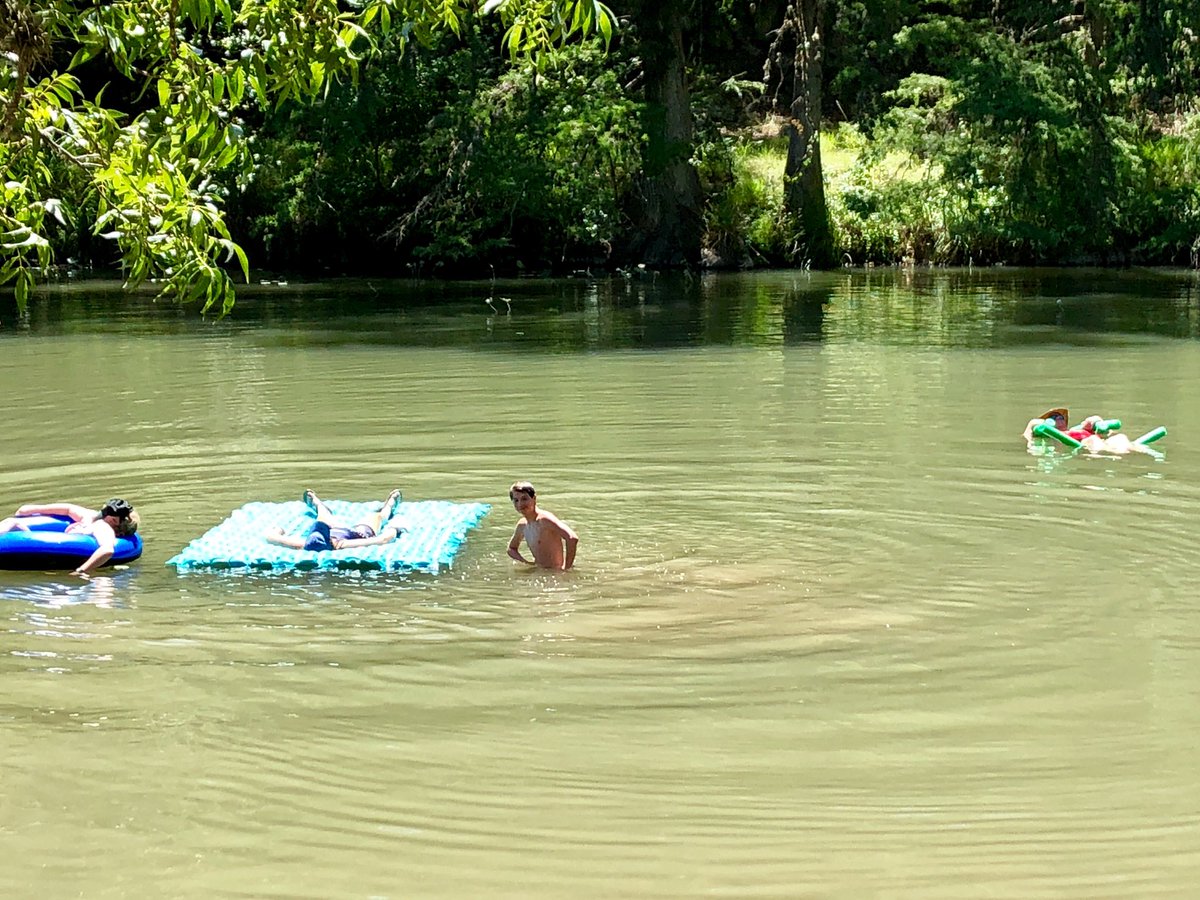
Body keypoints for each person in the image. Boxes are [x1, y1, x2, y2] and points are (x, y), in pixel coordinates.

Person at [0, 498, 139, 576]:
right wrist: (35, 509)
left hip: (63, 553)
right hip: (43, 545)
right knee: (11, 522)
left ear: (114, 520)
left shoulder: (102, 527)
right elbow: (68, 509)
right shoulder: (89, 517)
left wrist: (81, 571)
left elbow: (107, 550)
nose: (101, 511)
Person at [264, 489, 406, 551]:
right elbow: (384, 539)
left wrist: (278, 530)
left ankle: (318, 505)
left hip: (332, 530)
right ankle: (389, 506)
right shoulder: (342, 545)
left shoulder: (304, 544)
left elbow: (271, 537)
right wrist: (394, 529)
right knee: (377, 517)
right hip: (357, 533)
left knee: (323, 518)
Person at [1023, 408, 1158, 456]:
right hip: (1085, 443)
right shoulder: (1048, 434)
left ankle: (1138, 451)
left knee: (1121, 437)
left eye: (1060, 417)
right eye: (1053, 417)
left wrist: (1096, 422)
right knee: (1093, 441)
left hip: (1098, 440)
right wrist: (1038, 425)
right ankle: (1118, 452)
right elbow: (1028, 432)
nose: (1058, 419)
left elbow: (1100, 425)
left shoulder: (1075, 429)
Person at [507, 481, 578, 570]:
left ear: (534, 498)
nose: (520, 504)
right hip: (541, 571)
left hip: (556, 572)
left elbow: (572, 538)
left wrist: (566, 568)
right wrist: (527, 563)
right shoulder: (522, 525)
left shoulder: (544, 520)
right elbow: (511, 549)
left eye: (524, 499)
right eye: (516, 500)